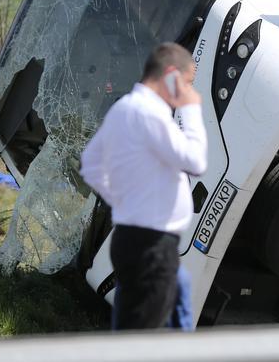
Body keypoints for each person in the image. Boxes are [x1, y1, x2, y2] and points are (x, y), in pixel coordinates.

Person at [80, 42, 207, 330]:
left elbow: (90, 163)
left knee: (178, 305)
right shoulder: (150, 115)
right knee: (138, 337)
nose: (188, 91)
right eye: (187, 83)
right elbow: (196, 161)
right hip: (151, 246)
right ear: (172, 76)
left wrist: (123, 201)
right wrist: (191, 110)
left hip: (136, 239)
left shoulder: (125, 107)